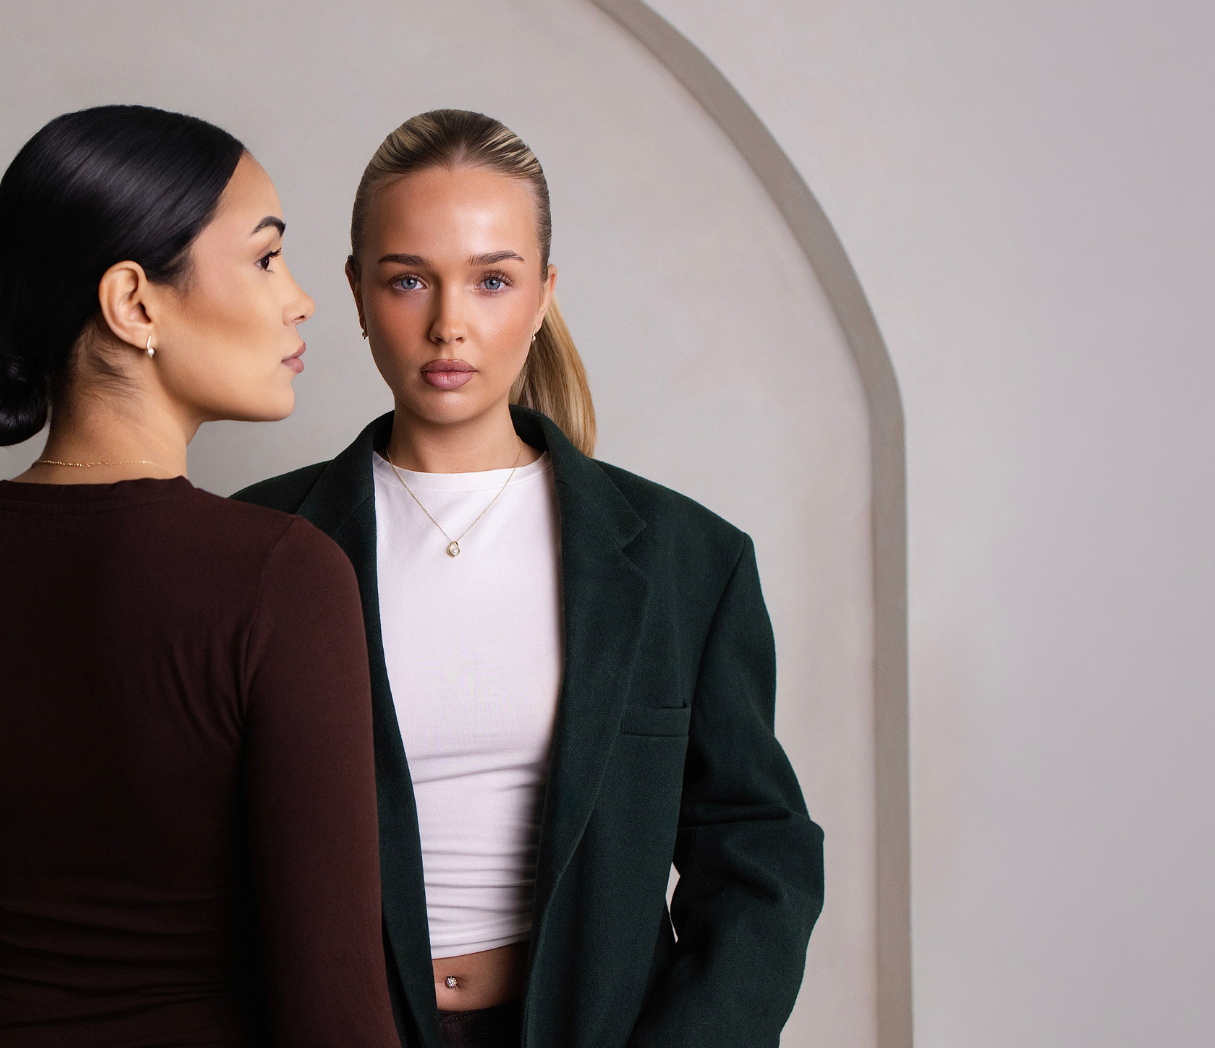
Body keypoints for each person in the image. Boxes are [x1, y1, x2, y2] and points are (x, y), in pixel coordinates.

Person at [234, 109, 824, 1048]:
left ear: (544, 293)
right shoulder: (255, 544)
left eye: (493, 279)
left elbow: (758, 849)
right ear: (356, 292)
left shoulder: (686, 557)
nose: (449, 324)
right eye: (408, 279)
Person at [0, 105, 400, 1048]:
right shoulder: (282, 578)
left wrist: (43, 963)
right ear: (134, 303)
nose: (300, 299)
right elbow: (335, 1018)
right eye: (265, 257)